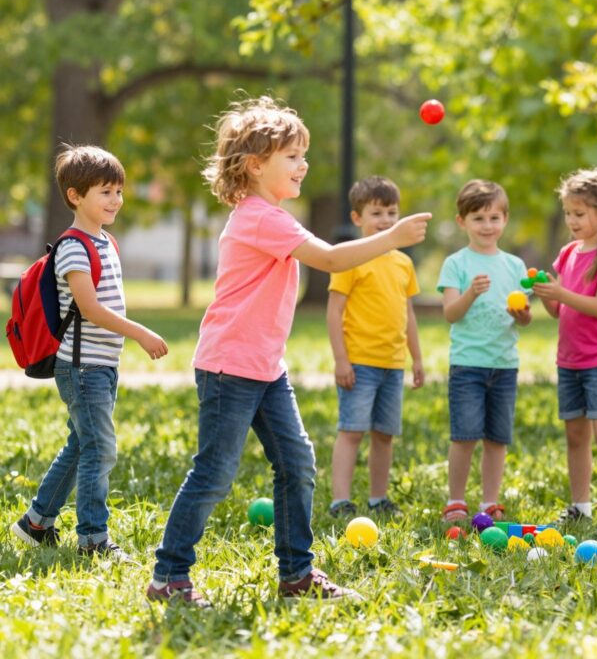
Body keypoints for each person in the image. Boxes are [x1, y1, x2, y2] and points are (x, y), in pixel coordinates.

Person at [146, 97, 430, 607]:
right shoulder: (259, 218)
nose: (304, 166)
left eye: (304, 155)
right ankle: (169, 576)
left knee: (297, 463)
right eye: (292, 156)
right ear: (256, 165)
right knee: (214, 473)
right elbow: (330, 257)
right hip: (230, 367)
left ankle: (297, 574)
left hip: (263, 368)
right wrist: (392, 236)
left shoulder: (270, 216)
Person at [10, 145, 169, 561]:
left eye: (118, 191)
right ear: (75, 196)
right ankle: (93, 539)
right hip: (81, 366)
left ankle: (36, 523)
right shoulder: (73, 247)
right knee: (101, 447)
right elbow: (91, 308)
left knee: (82, 444)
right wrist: (140, 333)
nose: (115, 200)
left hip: (102, 364)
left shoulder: (106, 242)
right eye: (105, 192)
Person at [532, 168, 597, 528]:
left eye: (579, 214)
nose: (572, 221)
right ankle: (581, 505)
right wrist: (546, 295)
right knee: (575, 435)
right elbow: (558, 310)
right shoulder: (568, 253)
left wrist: (560, 292)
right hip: (570, 359)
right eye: (568, 214)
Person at [326, 176, 423, 519]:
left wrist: (417, 359)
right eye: (376, 212)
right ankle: (341, 499)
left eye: (391, 213)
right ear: (357, 218)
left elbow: (408, 313)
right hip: (359, 363)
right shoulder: (351, 259)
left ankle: (378, 498)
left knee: (384, 435)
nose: (385, 220)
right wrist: (341, 360)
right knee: (352, 431)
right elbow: (334, 311)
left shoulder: (403, 263)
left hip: (392, 364)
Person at [438, 180, 531, 523]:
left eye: (494, 217)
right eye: (478, 218)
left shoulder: (515, 266)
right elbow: (450, 313)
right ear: (462, 222)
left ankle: (490, 500)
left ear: (505, 220)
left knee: (497, 438)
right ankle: (456, 500)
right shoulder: (456, 264)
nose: (487, 226)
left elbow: (524, 320)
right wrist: (471, 294)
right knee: (464, 436)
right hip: (468, 365)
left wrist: (522, 315)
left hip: (504, 364)